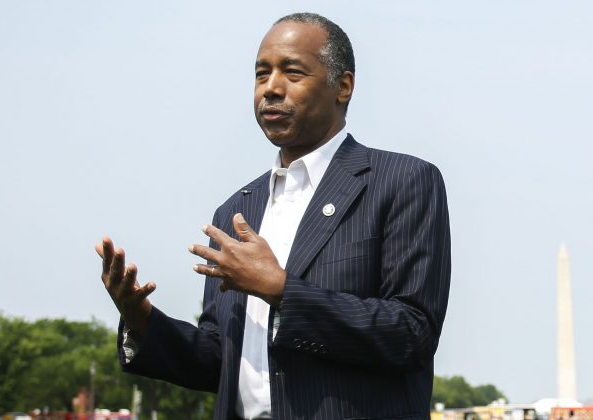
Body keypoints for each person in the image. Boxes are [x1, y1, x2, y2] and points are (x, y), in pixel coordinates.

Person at [96, 12, 451, 420]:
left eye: (292, 73)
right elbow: (221, 360)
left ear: (343, 86)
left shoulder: (402, 181)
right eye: (261, 74)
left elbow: (411, 333)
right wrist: (143, 321)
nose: (271, 89)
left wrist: (282, 290)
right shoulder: (237, 210)